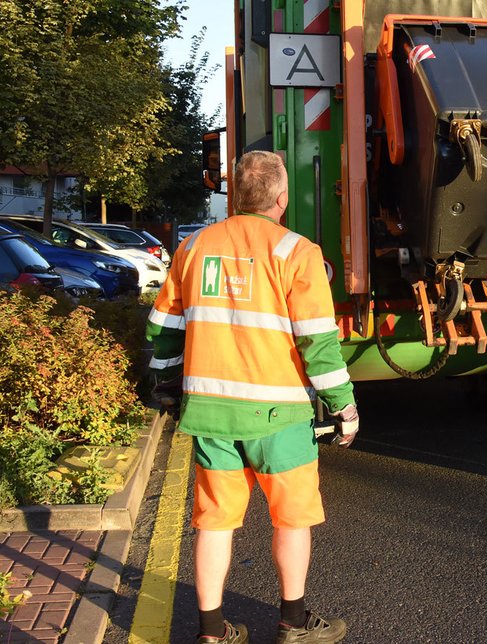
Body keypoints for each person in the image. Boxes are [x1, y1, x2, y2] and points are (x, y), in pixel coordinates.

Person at [147, 151, 357, 644]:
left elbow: (164, 329)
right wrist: (344, 407)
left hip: (211, 412)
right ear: (282, 199)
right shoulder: (297, 252)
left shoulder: (194, 247)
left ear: (235, 195)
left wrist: (166, 386)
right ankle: (294, 622)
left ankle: (212, 632)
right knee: (292, 519)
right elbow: (318, 344)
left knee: (215, 523)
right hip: (279, 416)